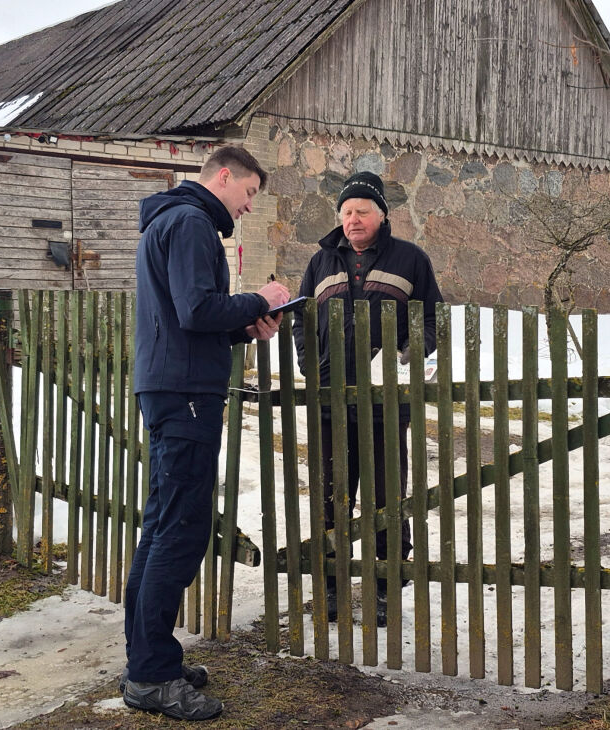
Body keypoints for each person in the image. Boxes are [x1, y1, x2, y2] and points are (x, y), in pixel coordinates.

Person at [123, 146, 289, 721]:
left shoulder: (168, 220)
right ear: (224, 176)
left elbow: (186, 317)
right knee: (181, 531)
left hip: (171, 387)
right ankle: (151, 676)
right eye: (248, 194)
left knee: (162, 526)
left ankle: (149, 659)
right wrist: (260, 300)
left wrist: (242, 325)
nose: (247, 208)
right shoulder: (192, 222)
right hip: (187, 396)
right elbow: (196, 310)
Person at [293, 170, 443, 628]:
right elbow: (301, 319)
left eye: (362, 211)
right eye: (346, 212)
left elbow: (432, 321)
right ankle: (332, 585)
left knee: (385, 498)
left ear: (382, 215)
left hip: (385, 405)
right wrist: (309, 366)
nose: (353, 219)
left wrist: (408, 357)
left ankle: (384, 586)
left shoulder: (411, 260)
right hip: (329, 402)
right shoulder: (320, 263)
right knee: (330, 496)